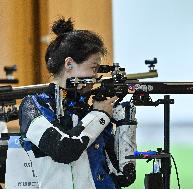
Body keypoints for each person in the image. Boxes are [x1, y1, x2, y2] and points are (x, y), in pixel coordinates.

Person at [19, 18, 137, 189]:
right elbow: (64, 150)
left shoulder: (89, 109)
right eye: (94, 68)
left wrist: (125, 123)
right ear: (69, 64)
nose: (97, 77)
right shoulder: (33, 105)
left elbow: (124, 177)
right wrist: (100, 115)